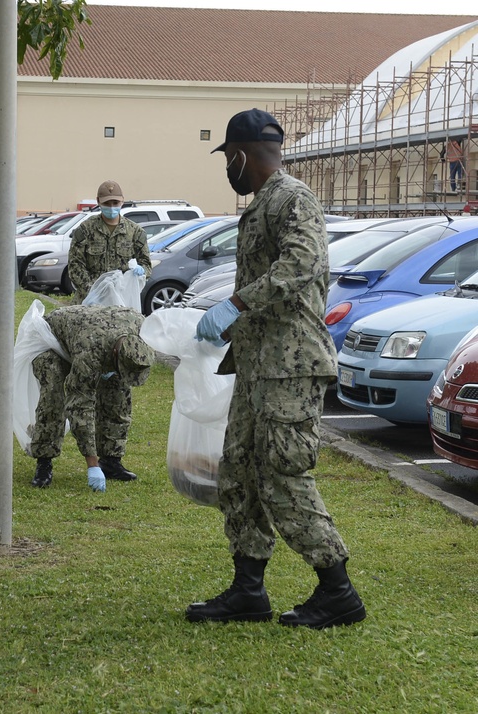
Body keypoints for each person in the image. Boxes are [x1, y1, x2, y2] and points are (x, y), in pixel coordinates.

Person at [190, 108, 365, 630]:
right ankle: (249, 590)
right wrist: (230, 320)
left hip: (291, 367)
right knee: (240, 471)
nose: (228, 170)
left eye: (228, 160)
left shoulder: (293, 197)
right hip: (258, 364)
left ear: (241, 154)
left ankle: (338, 591)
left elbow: (301, 263)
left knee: (283, 474)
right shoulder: (266, 202)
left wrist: (236, 305)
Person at [29, 304, 153, 491]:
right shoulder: (90, 352)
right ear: (115, 355)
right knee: (53, 397)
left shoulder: (143, 330)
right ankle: (44, 461)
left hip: (90, 334)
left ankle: (111, 460)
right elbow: (80, 404)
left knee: (119, 394)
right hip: (49, 338)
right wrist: (91, 465)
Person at [67, 180, 151, 304]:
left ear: (122, 200)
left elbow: (146, 264)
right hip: (90, 299)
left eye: (115, 202)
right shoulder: (86, 230)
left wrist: (141, 271)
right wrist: (93, 291)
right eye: (107, 203)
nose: (112, 207)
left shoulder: (135, 232)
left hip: (122, 300)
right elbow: (75, 265)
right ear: (98, 201)